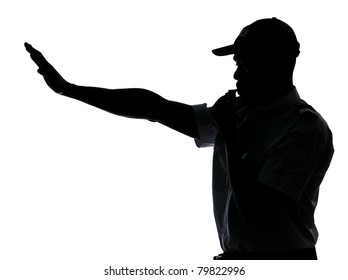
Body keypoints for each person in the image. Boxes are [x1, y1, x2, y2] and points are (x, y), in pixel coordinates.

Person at [25, 17, 334, 260]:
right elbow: (153, 107)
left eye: (245, 63)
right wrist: (70, 90)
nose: (237, 75)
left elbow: (258, 214)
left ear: (278, 62)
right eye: (237, 64)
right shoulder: (244, 115)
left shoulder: (303, 129)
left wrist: (228, 133)